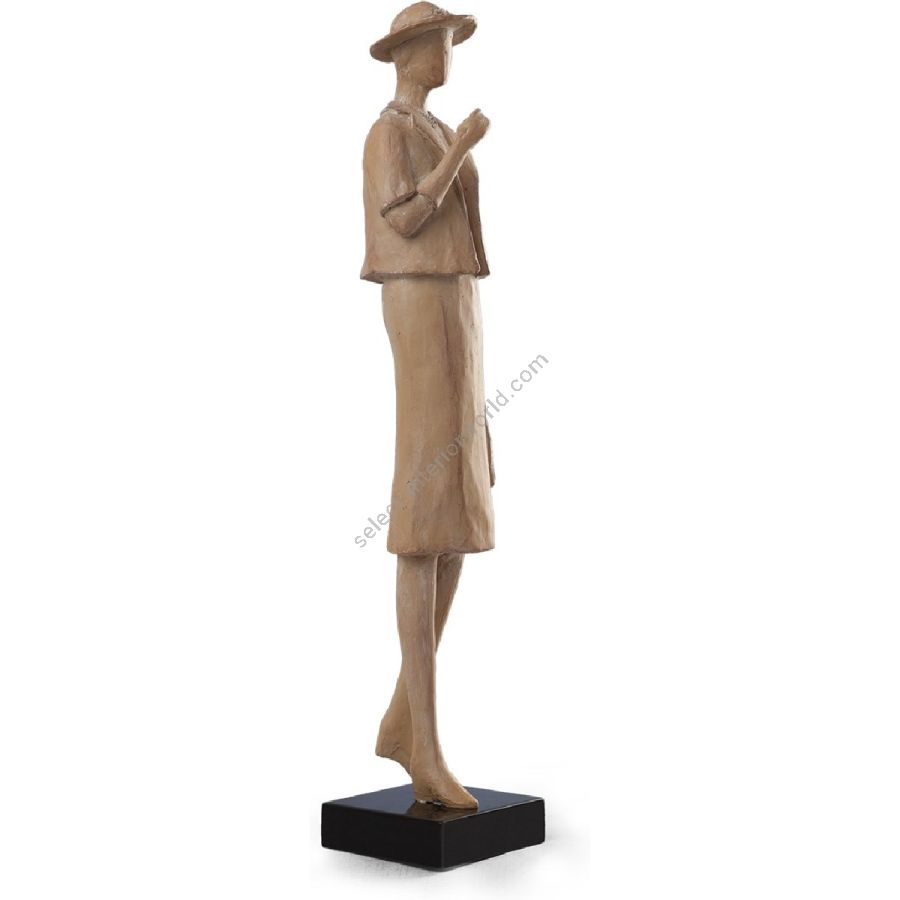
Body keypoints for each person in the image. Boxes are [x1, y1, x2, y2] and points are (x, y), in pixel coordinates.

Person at [361, 3, 494, 809]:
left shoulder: (435, 126)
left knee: (458, 514)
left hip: (456, 303)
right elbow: (407, 219)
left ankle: (406, 719)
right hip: (419, 302)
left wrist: (456, 145)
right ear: (411, 53)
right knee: (424, 512)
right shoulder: (389, 133)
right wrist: (461, 152)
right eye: (440, 44)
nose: (448, 56)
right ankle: (423, 743)